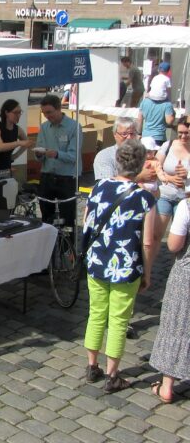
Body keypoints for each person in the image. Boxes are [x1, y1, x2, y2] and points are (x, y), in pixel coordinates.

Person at [81, 139, 157, 394]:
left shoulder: (98, 187)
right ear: (141, 164)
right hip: (125, 267)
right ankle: (112, 375)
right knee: (118, 321)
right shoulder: (145, 198)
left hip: (97, 262)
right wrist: (147, 273)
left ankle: (92, 366)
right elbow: (148, 242)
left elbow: (86, 224)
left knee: (96, 314)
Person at [148, 197, 190, 404]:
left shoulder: (186, 206)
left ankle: (167, 386)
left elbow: (173, 245)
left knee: (176, 324)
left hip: (186, 275)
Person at [34, 94, 82, 227]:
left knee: (67, 218)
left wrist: (56, 154)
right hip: (47, 177)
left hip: (67, 178)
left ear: (59, 108)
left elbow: (73, 156)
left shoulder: (74, 127)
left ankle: (67, 246)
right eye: (44, 113)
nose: (47, 116)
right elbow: (39, 154)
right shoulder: (44, 127)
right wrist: (39, 154)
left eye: (50, 112)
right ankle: (50, 246)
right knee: (47, 217)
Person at [153, 115, 190, 248]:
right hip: (165, 195)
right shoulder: (168, 145)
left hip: (185, 199)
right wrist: (170, 178)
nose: (183, 136)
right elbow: (155, 168)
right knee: (156, 235)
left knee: (182, 240)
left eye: (187, 133)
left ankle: (178, 268)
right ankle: (148, 268)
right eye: (180, 133)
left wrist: (187, 176)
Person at [93, 117, 157, 185]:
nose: (129, 137)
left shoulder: (141, 155)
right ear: (115, 134)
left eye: (132, 134)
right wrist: (139, 177)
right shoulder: (105, 156)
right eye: (124, 134)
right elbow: (106, 184)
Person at [137, 82, 175, 147]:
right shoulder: (167, 104)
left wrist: (139, 133)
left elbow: (139, 120)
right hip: (159, 137)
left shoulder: (144, 102)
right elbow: (169, 121)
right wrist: (173, 114)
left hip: (145, 136)